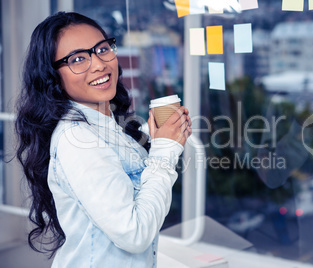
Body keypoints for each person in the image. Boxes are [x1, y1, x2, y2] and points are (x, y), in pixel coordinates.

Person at [15, 11, 191, 268]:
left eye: (102, 49)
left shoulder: (108, 125)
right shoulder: (78, 138)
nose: (99, 64)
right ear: (53, 76)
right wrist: (165, 150)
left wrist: (160, 141)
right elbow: (135, 234)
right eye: (78, 59)